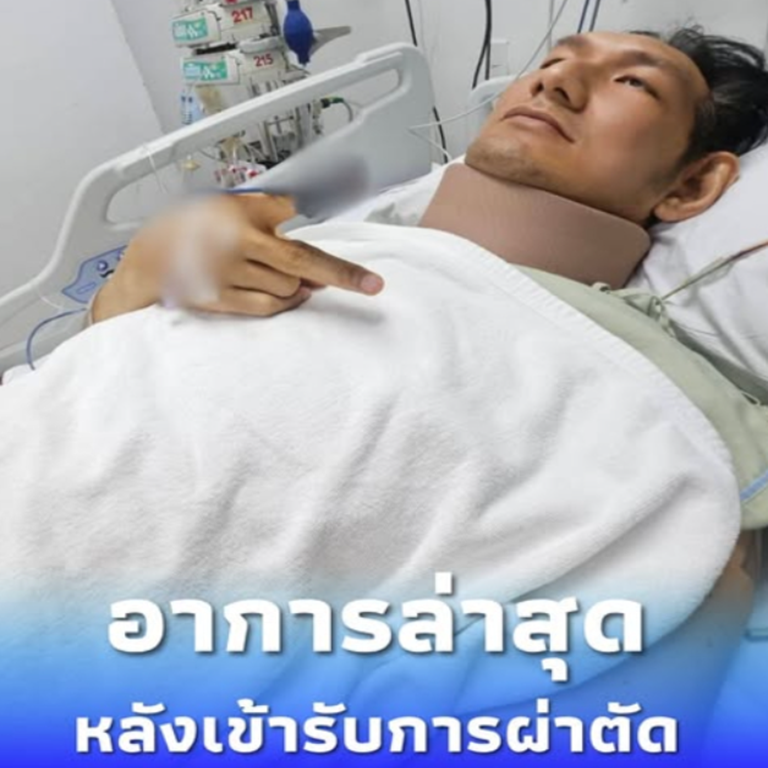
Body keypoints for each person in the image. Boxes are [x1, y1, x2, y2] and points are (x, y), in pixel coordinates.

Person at [91, 28, 768, 324]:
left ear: (690, 187)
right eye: (554, 61)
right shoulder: (349, 240)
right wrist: (126, 293)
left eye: (634, 83)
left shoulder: (628, 374)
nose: (554, 82)